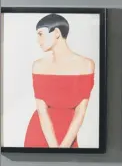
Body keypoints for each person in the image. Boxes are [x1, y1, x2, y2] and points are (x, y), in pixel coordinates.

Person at [24, 14, 95, 148]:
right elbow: (42, 111)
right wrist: (53, 147)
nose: (37, 40)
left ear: (56, 33)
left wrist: (64, 146)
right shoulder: (38, 65)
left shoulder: (86, 64)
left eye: (40, 34)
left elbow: (81, 111)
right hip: (40, 133)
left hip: (69, 134)